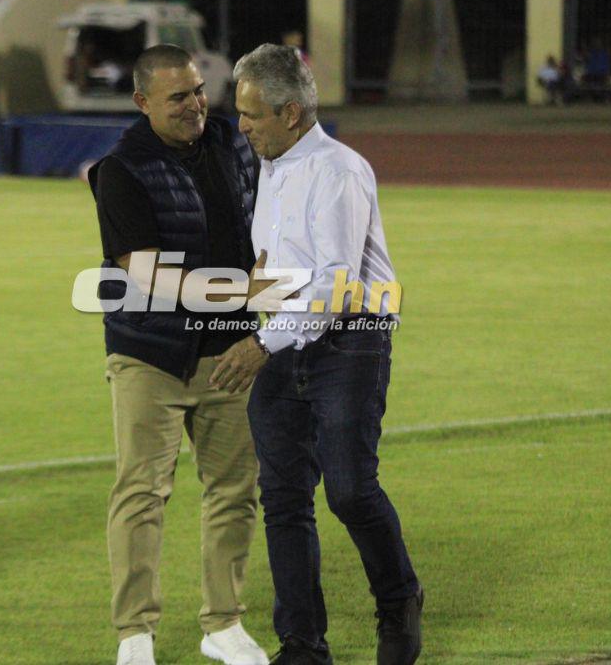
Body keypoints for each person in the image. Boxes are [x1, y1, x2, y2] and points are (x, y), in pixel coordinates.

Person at [211, 44, 423, 665]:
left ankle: (400, 598)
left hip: (350, 341)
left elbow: (337, 286)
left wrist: (259, 342)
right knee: (283, 498)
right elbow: (286, 269)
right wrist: (257, 288)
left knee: (351, 491)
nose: (241, 125)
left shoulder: (340, 171)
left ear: (293, 112)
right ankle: (302, 646)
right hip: (287, 337)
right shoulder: (270, 163)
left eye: (252, 114)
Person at [88, 44, 269, 665]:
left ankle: (223, 624)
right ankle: (135, 636)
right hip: (151, 353)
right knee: (142, 492)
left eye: (197, 91)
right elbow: (143, 271)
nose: (195, 105)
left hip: (232, 350)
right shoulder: (120, 169)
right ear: (142, 103)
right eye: (177, 97)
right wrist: (249, 291)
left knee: (235, 489)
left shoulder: (235, 142)